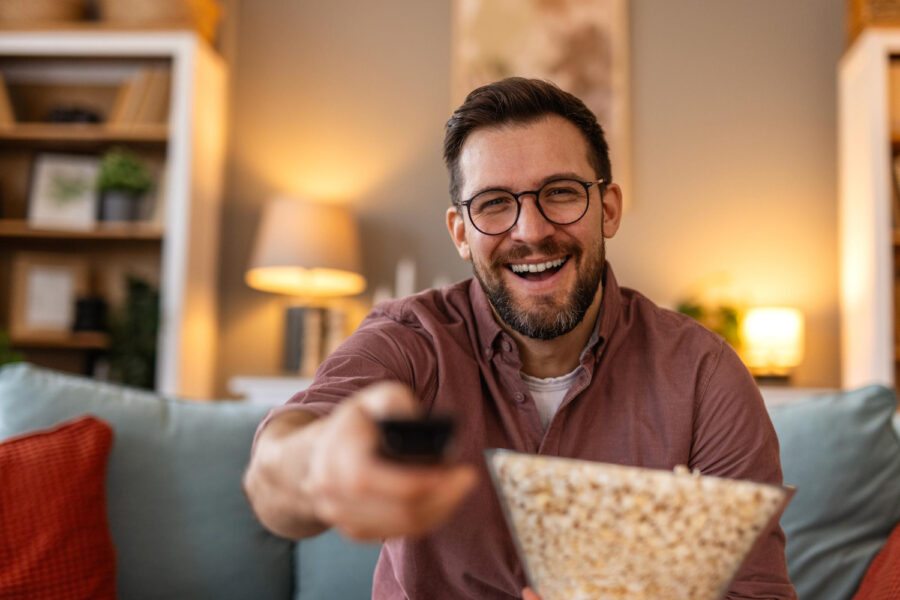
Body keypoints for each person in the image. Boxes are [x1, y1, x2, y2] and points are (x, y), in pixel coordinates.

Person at [243, 77, 796, 600]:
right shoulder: (409, 341)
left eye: (560, 193)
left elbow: (758, 591)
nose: (531, 231)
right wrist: (321, 462)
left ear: (608, 209)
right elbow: (275, 474)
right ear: (461, 232)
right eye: (494, 203)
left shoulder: (702, 373)